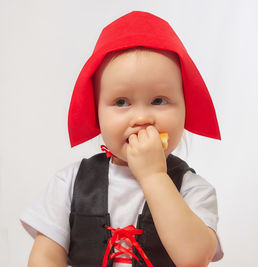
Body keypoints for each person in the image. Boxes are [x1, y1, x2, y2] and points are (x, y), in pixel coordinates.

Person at [20, 11, 224, 267]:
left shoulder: (192, 190)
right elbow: (46, 255)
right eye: (121, 102)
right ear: (96, 112)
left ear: (186, 109)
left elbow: (194, 258)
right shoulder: (69, 184)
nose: (141, 117)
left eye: (159, 100)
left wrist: (154, 176)